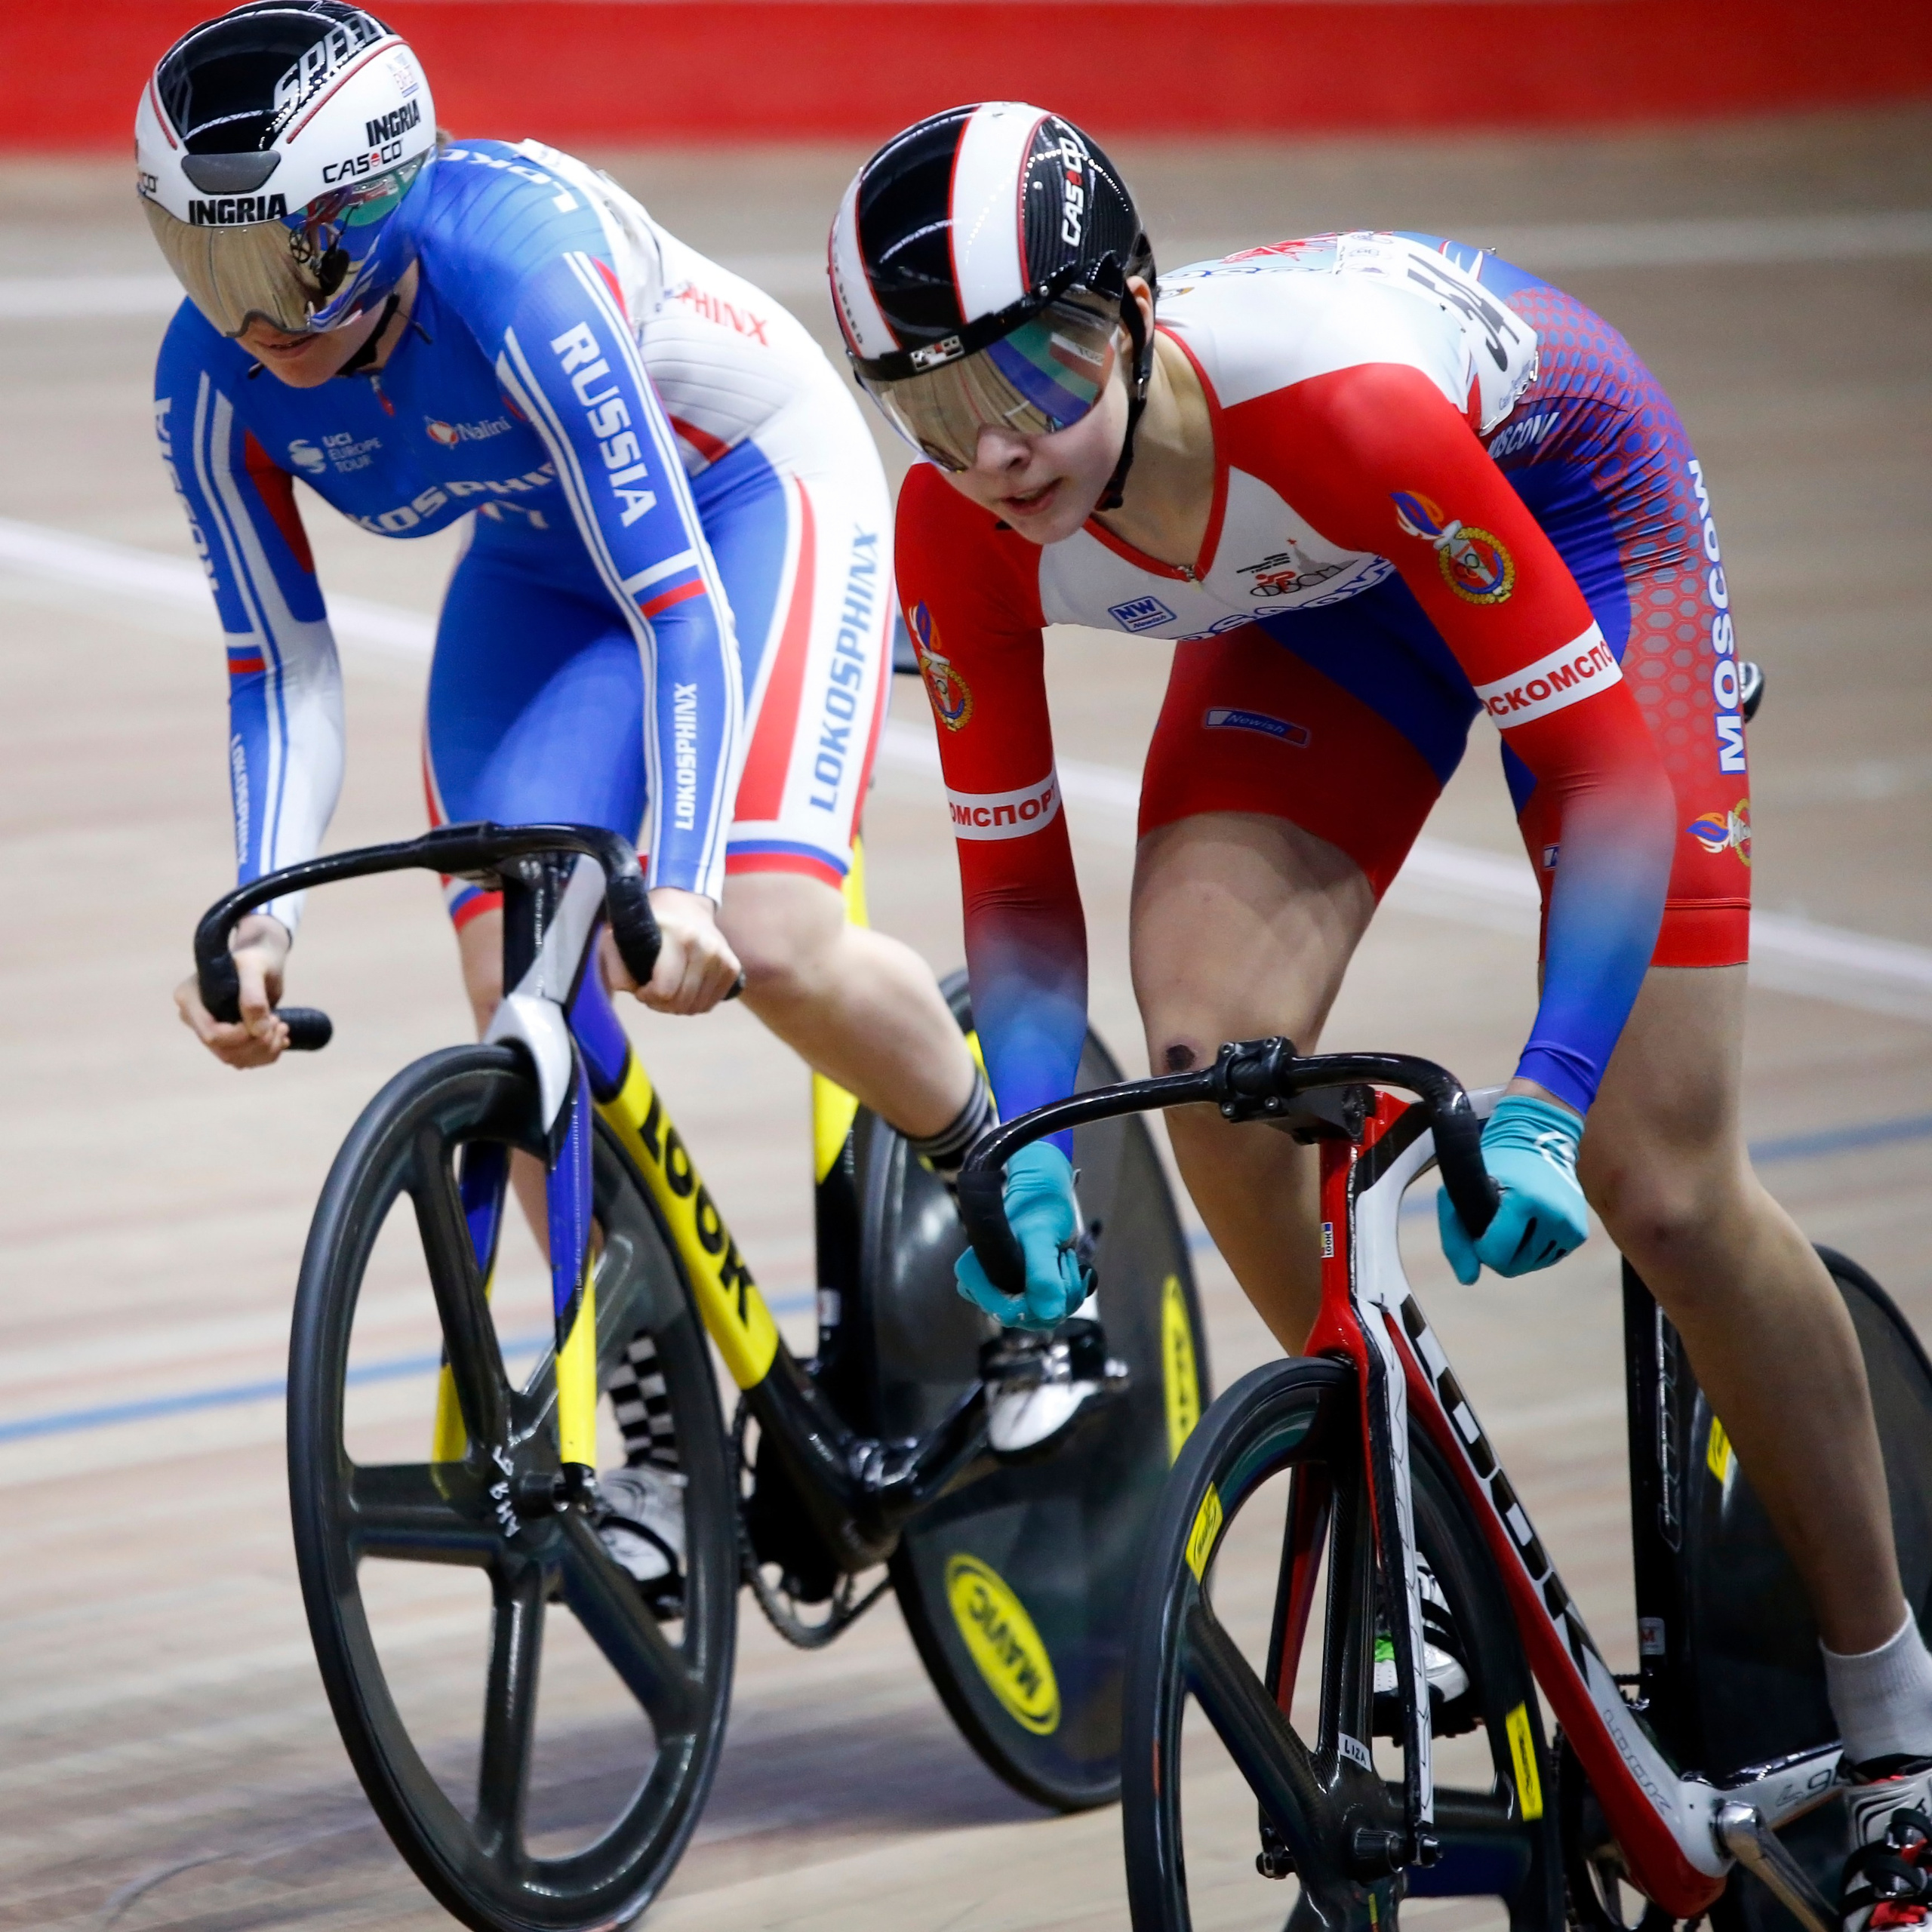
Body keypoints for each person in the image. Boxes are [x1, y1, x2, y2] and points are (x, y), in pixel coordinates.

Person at [832, 102, 1932, 1922]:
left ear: (1131, 302)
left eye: (1034, 363)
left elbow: (1596, 777)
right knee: (1204, 1069)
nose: (1000, 439)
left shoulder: (1338, 404)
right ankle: (1425, 1574)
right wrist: (1021, 1140)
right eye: (938, 403)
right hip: (1317, 590)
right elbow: (1017, 895)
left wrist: (1541, 1098)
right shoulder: (958, 536)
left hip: (1561, 514)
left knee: (1658, 1174)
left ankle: (1893, 1713)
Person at [140, 3, 994, 1574]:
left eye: (265, 266)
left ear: (374, 212)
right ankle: (664, 1403)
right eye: (200, 262)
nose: (236, 317)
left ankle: (1013, 1209)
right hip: (544, 568)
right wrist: (259, 923)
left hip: (747, 497)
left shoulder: (520, 279)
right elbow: (282, 663)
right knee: (514, 982)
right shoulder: (208, 380)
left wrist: (674, 874)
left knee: (771, 933)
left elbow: (678, 599)